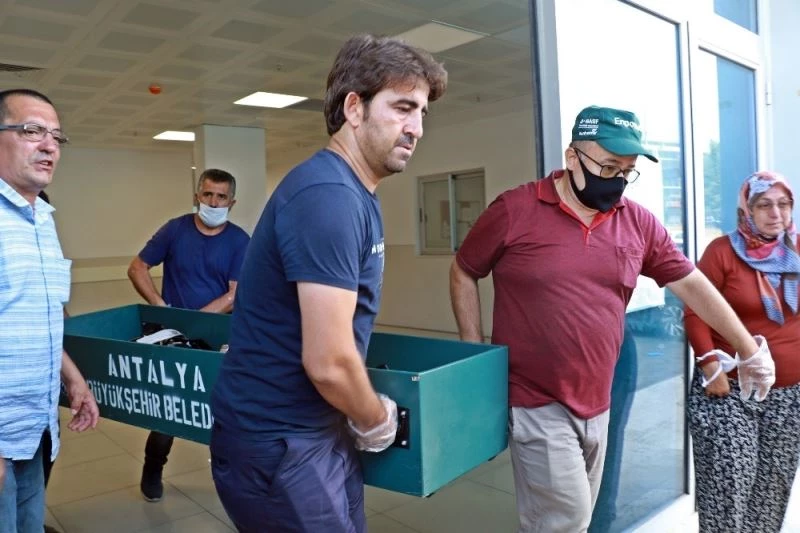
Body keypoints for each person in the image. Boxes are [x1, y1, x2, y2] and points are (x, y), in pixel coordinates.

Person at [449, 105, 775, 533]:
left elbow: (692, 285)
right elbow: (464, 269)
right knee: (566, 521)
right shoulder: (516, 209)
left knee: (582, 514)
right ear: (572, 158)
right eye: (607, 167)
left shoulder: (636, 222)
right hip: (535, 398)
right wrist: (475, 354)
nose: (617, 180)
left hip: (599, 397)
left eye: (627, 171)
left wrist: (750, 350)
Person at [210, 34, 447, 532]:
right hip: (281, 439)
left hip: (319, 428)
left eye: (422, 113)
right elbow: (330, 363)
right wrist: (377, 419)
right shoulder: (328, 195)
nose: (417, 128)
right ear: (354, 108)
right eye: (403, 108)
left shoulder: (356, 192)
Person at [0, 88, 99, 533]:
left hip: (34, 427)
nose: (49, 146)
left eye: (56, 136)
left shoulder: (41, 219)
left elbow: (36, 317)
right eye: (32, 131)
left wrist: (72, 378)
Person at [685, 171, 800, 532]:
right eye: (764, 205)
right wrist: (711, 369)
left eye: (783, 204)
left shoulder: (797, 249)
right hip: (729, 390)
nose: (776, 213)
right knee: (728, 484)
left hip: (788, 393)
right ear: (746, 209)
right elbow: (695, 311)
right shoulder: (722, 252)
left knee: (772, 489)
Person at [127, 168, 249, 502]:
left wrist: (195, 321)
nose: (214, 202)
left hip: (220, 338)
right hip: (173, 337)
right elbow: (137, 268)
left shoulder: (240, 241)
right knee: (169, 407)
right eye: (208, 194)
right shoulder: (175, 230)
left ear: (232, 202)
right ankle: (153, 468)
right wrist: (161, 307)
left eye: (221, 197)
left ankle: (233, 481)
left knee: (225, 409)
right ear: (197, 196)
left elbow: (235, 294)